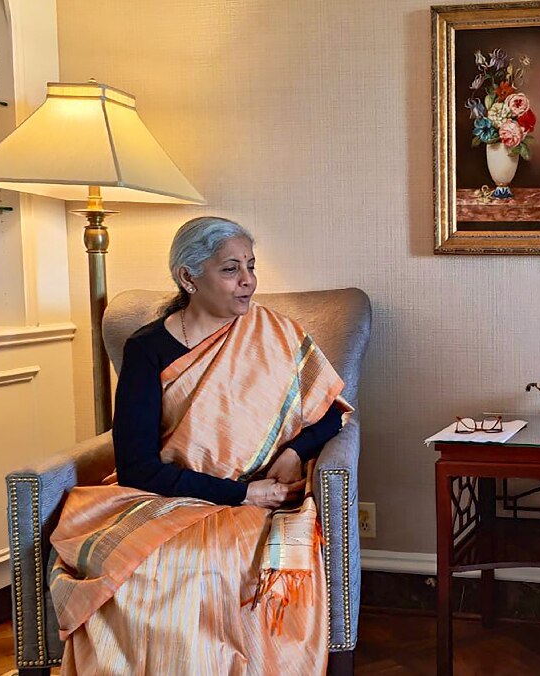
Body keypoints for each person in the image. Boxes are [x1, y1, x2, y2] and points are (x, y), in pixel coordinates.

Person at [49, 216, 351, 674]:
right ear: (188, 277)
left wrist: (291, 454)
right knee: (148, 568)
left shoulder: (277, 333)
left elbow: (330, 414)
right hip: (173, 494)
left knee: (225, 560)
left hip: (266, 499)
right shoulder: (147, 348)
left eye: (251, 266)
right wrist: (241, 494)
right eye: (231, 269)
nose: (248, 281)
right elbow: (136, 467)